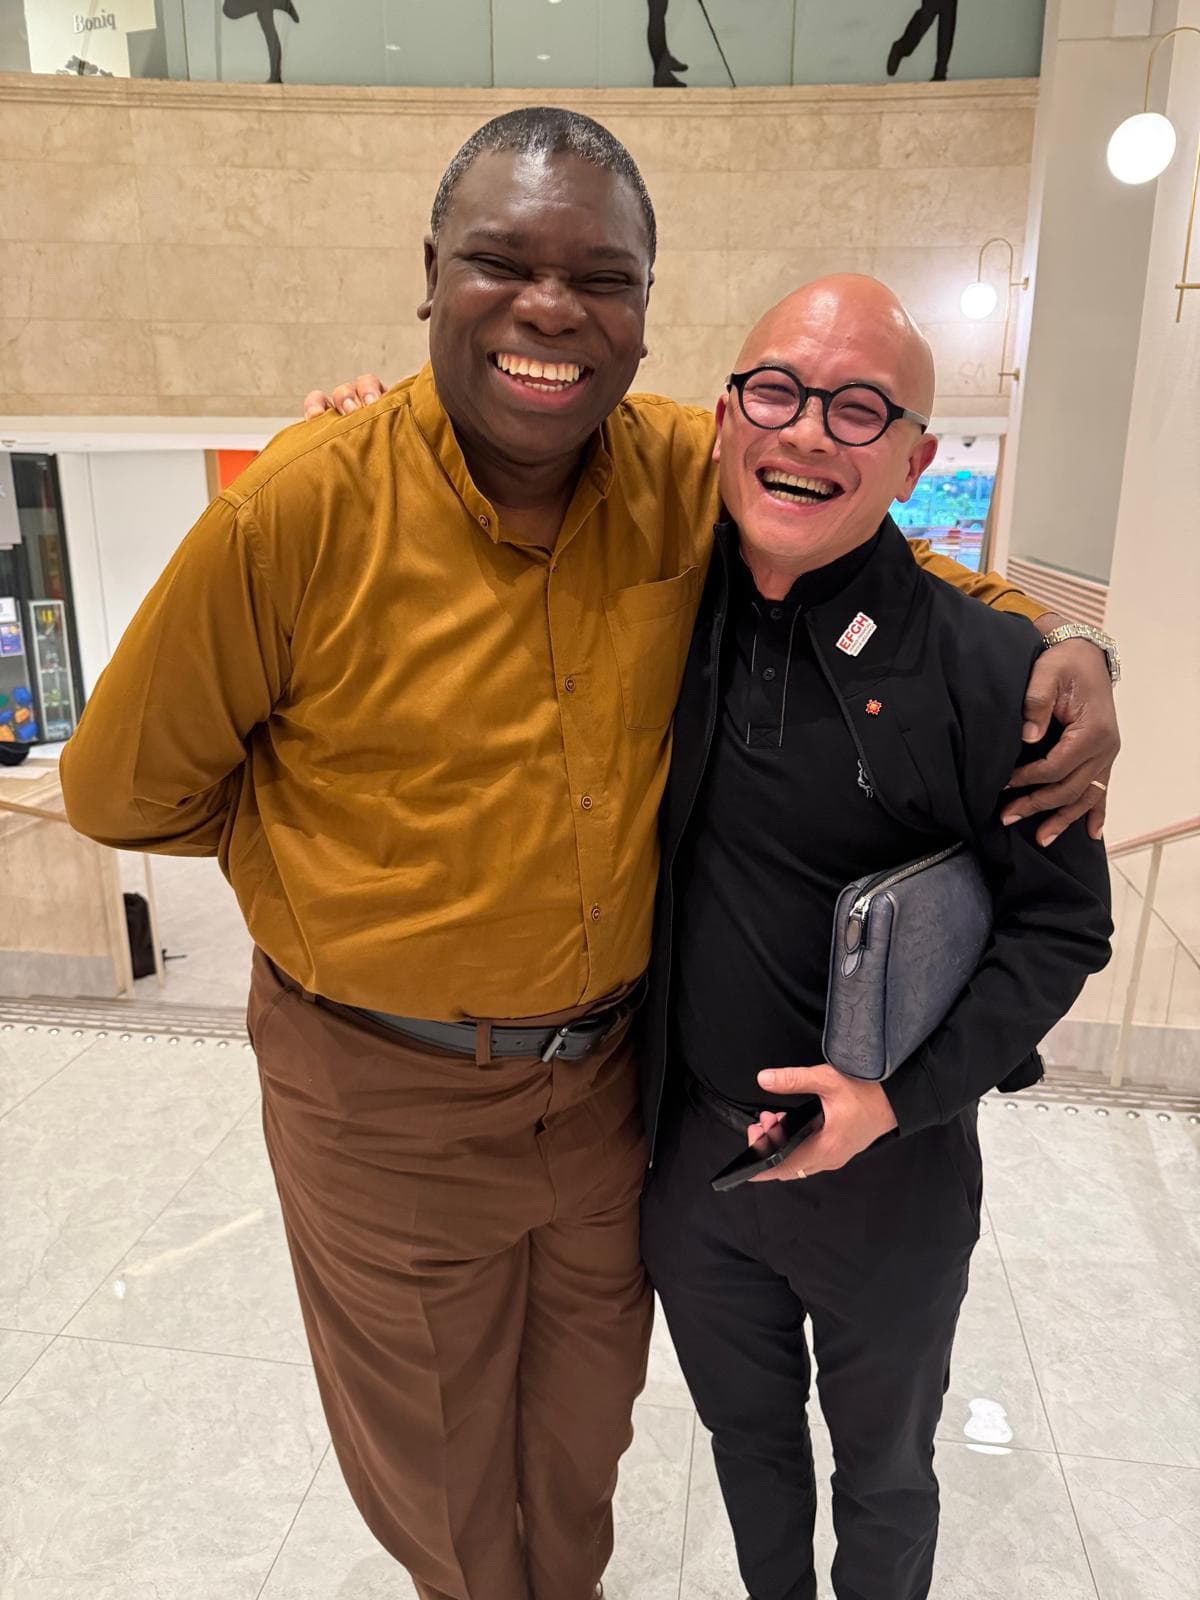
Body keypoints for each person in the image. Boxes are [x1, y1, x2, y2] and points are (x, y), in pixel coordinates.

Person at [63, 109, 1118, 1600]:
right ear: (430, 276)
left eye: (601, 279)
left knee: (577, 1453)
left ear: (640, 315)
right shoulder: (303, 507)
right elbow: (123, 792)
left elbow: (862, 523)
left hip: (612, 1095)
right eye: (501, 262)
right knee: (447, 1488)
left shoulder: (681, 466)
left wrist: (1072, 638)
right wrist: (322, 848)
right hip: (385, 1097)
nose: (551, 309)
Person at [637, 276, 1112, 1600]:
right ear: (724, 417)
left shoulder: (990, 673)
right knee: (745, 1442)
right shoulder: (652, 618)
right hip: (691, 1171)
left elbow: (1064, 928)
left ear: (913, 456)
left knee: (888, 1474)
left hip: (892, 1189)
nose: (806, 435)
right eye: (777, 392)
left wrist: (896, 1101)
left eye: (859, 409)